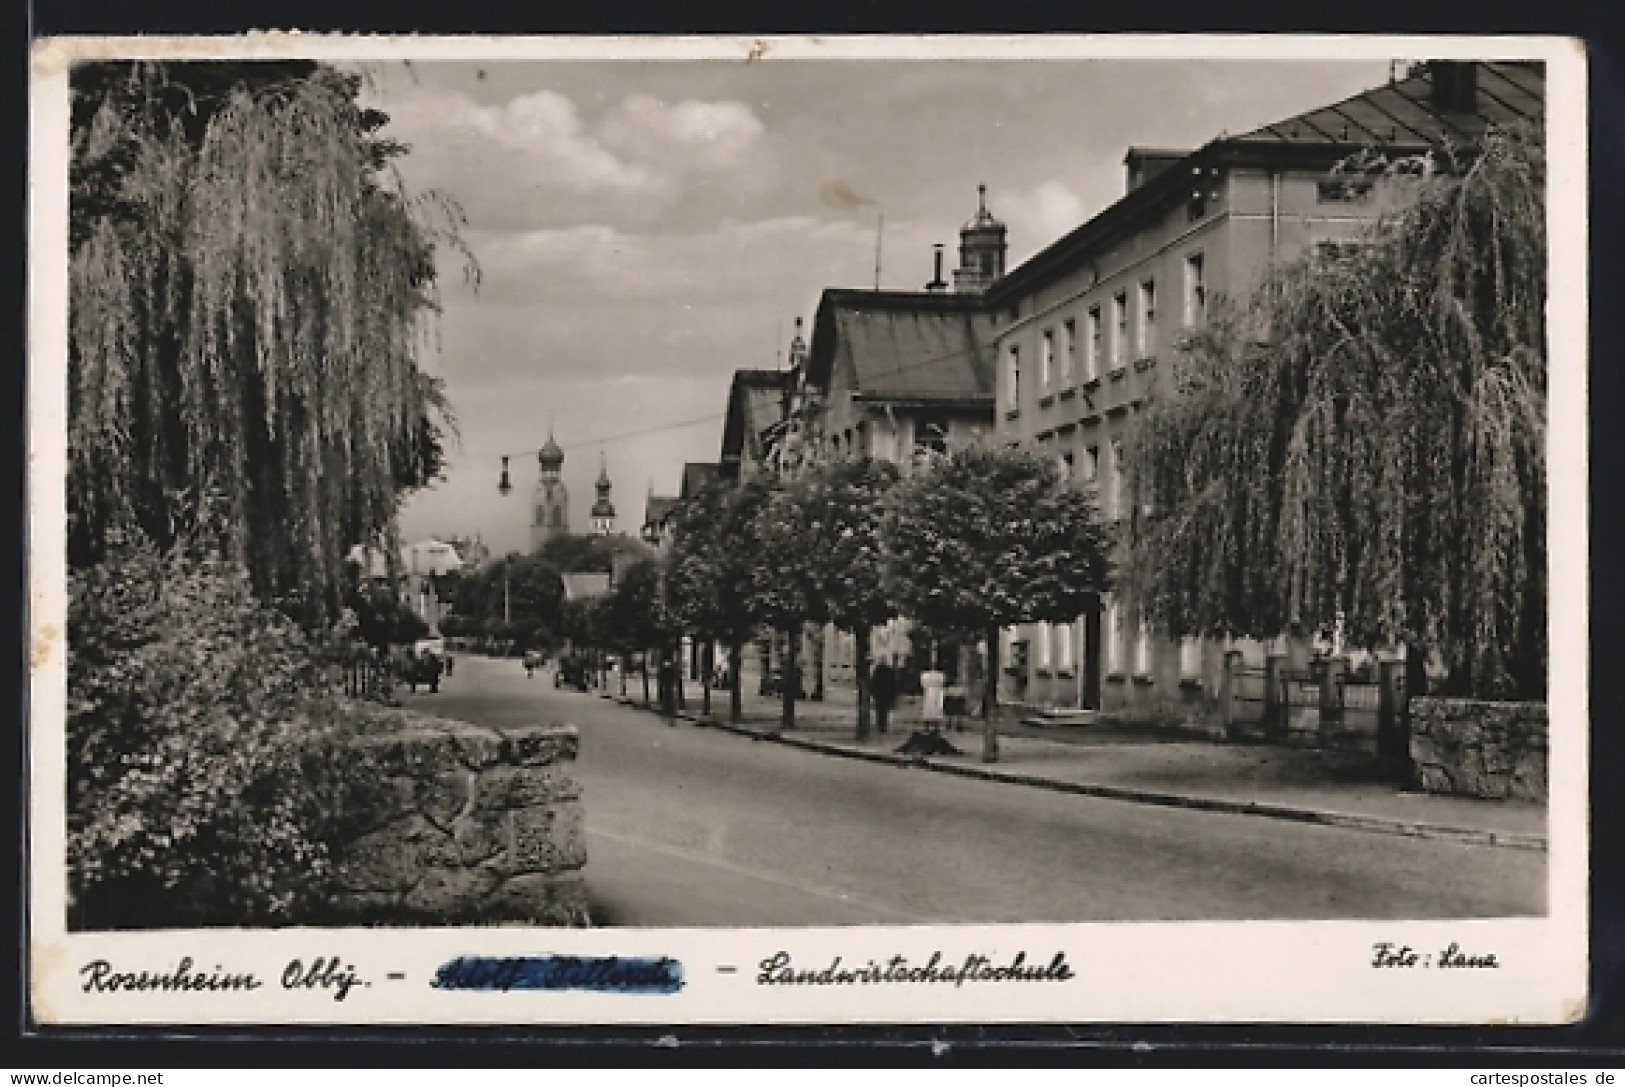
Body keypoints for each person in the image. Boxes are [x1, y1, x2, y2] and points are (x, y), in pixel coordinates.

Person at [870, 659, 897, 736]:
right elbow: (893, 683)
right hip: (886, 693)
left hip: (879, 694)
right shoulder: (889, 671)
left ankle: (880, 724)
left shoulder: (877, 671)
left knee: (879, 710)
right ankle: (883, 725)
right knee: (885, 710)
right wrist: (893, 694)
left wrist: (873, 693)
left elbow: (873, 682)